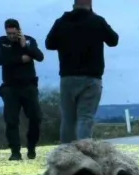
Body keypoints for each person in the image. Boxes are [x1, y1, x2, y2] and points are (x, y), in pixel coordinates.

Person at [45, 0, 119, 143]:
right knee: (85, 118)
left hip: (68, 77)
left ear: (74, 4)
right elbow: (113, 40)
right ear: (90, 4)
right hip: (92, 77)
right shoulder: (97, 21)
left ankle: (66, 155)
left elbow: (49, 44)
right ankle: (84, 154)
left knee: (68, 119)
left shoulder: (61, 21)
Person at [0, 18, 44, 161]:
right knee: (11, 121)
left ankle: (31, 147)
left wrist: (26, 46)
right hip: (10, 88)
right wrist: (21, 59)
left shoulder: (29, 40)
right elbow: (1, 60)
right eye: (9, 33)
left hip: (28, 86)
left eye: (13, 33)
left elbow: (39, 56)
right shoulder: (2, 42)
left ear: (18, 31)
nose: (11, 36)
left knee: (35, 118)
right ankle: (15, 152)